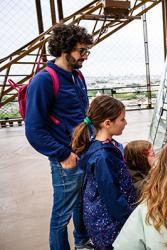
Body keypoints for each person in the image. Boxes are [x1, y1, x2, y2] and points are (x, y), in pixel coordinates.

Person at [24, 24, 93, 250]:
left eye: (86, 51)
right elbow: (34, 129)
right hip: (66, 158)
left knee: (81, 203)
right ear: (65, 49)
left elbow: (81, 114)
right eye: (81, 51)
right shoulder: (44, 81)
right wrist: (64, 155)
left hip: (84, 152)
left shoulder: (77, 75)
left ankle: (82, 242)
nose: (85, 56)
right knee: (62, 215)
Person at [72, 95, 137, 249]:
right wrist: (132, 220)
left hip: (104, 218)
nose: (125, 123)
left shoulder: (98, 145)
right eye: (122, 119)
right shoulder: (104, 156)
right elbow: (112, 197)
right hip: (109, 224)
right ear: (107, 123)